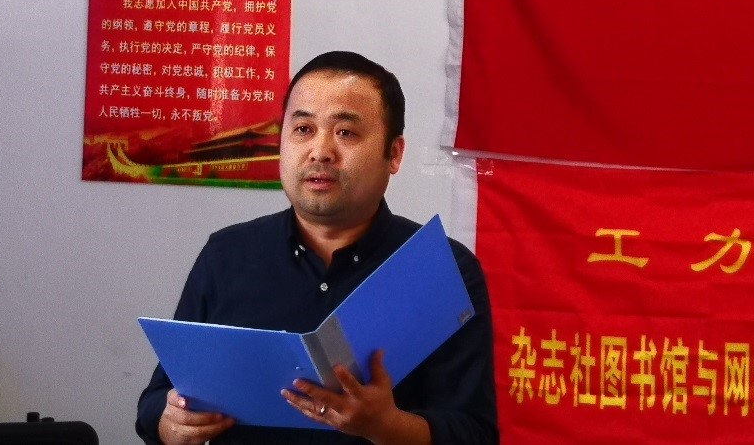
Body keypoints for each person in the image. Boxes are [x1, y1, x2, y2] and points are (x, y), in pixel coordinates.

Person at [136, 51, 499, 445]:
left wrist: (387, 427)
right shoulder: (226, 255)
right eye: (304, 129)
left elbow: (475, 434)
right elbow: (158, 400)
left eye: (345, 132)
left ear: (394, 154)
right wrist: (170, 424)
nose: (321, 151)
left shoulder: (440, 268)